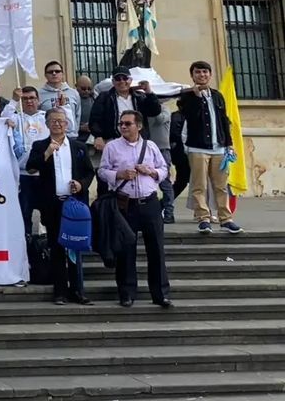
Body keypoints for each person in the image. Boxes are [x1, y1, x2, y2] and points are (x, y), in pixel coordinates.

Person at [99, 110, 172, 308]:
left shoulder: (151, 146)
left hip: (149, 202)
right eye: (121, 124)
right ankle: (127, 293)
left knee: (156, 249)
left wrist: (152, 172)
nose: (123, 127)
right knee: (125, 250)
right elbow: (102, 170)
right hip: (125, 204)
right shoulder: (112, 147)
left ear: (138, 126)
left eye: (128, 124)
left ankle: (160, 294)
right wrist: (119, 175)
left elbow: (164, 169)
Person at [26, 109, 95, 306]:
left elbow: (89, 172)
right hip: (53, 204)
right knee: (56, 248)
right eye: (53, 121)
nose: (57, 124)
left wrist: (81, 184)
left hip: (73, 204)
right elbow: (31, 167)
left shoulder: (78, 146)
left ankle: (78, 290)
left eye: (61, 121)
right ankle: (60, 291)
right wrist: (47, 154)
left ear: (67, 124)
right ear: (47, 124)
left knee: (75, 247)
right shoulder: (40, 145)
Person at [172, 61, 243, 235]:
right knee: (199, 185)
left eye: (205, 72)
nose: (202, 75)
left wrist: (229, 143)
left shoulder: (218, 96)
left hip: (219, 147)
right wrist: (196, 97)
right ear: (192, 75)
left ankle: (225, 219)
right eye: (198, 72)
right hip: (198, 147)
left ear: (210, 75)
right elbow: (190, 116)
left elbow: (224, 121)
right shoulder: (186, 97)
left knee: (221, 185)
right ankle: (203, 218)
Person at [2, 86, 49, 235]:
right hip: (23, 175)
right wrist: (14, 100)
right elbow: (3, 117)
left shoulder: (46, 117)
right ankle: (27, 248)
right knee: (24, 214)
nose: (29, 101)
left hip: (45, 174)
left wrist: (63, 106)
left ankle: (47, 247)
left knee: (47, 214)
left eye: (32, 98)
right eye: (25, 99)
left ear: (38, 100)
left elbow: (67, 123)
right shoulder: (16, 118)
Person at [89, 66, 162, 159]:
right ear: (113, 82)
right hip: (113, 141)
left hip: (137, 141)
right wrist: (98, 136)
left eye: (125, 78)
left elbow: (155, 111)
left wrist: (149, 92)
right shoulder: (104, 98)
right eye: (118, 79)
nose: (122, 81)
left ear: (130, 80)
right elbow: (95, 119)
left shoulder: (139, 97)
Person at [38, 61, 80, 140]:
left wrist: (74, 131)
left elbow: (77, 115)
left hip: (71, 137)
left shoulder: (73, 93)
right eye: (50, 72)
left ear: (62, 74)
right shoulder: (39, 94)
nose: (54, 73)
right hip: (49, 137)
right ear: (45, 75)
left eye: (57, 71)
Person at [75, 75, 96, 142]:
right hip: (78, 136)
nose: (87, 91)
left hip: (93, 136)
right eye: (83, 88)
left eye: (89, 88)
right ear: (76, 86)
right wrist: (80, 127)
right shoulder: (72, 99)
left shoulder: (95, 97)